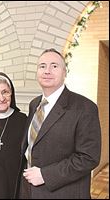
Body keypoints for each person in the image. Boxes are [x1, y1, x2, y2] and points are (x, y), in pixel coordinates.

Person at [19, 48, 101, 199]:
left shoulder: (84, 107)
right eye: (42, 66)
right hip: (29, 192)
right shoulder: (34, 104)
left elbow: (88, 157)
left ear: (65, 72)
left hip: (63, 193)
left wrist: (45, 175)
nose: (47, 71)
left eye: (54, 66)